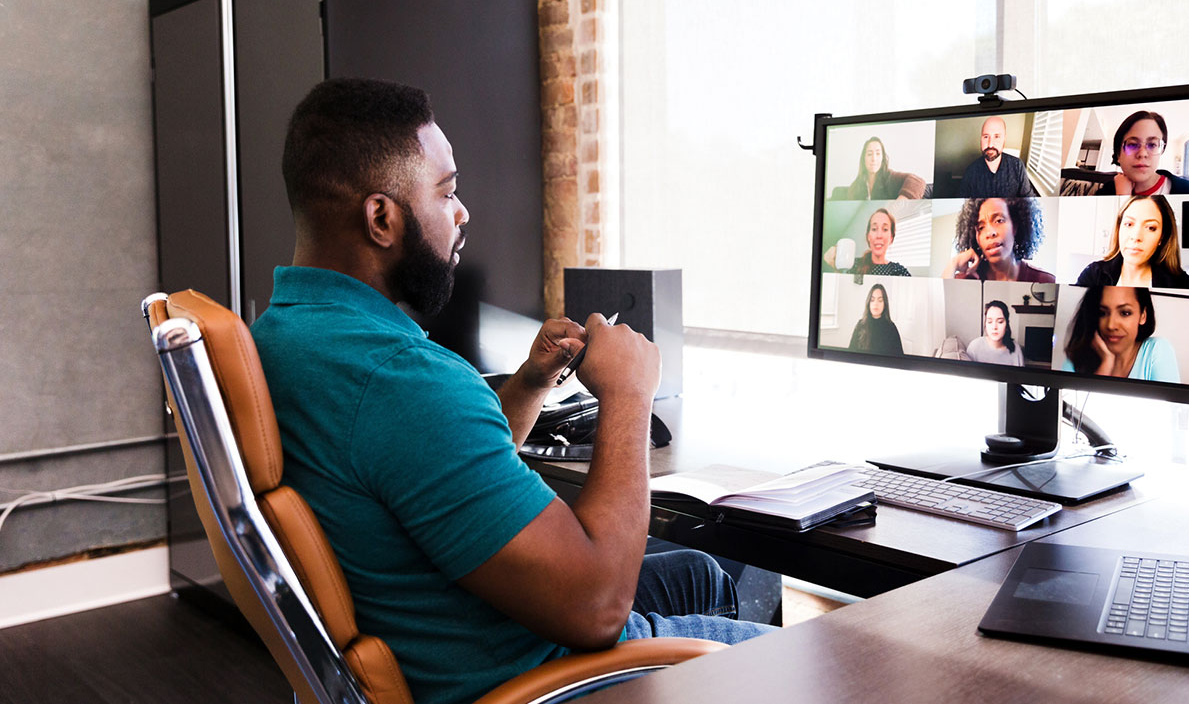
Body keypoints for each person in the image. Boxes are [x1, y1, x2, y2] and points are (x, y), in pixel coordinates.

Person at [250, 79, 771, 704]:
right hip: (538, 675)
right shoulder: (401, 378)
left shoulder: (286, 335)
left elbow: (425, 473)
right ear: (382, 217)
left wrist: (529, 383)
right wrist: (630, 394)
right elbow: (599, 606)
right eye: (447, 192)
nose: (463, 211)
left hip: (457, 624)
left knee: (700, 574)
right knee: (823, 660)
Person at [1075, 195, 1189, 288]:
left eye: (1151, 228)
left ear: (1162, 237)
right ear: (1119, 229)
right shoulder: (1093, 274)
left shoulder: (1183, 284)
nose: (1136, 236)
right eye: (1129, 224)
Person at [1061, 286, 1180, 382]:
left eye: (1125, 313)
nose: (1111, 325)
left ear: (1143, 315)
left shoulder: (1156, 350)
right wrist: (1106, 365)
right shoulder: (1076, 360)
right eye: (1102, 313)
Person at [942, 197, 1054, 283]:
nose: (990, 233)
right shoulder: (965, 279)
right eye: (981, 227)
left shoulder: (1044, 280)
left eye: (999, 220)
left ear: (1015, 226)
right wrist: (953, 263)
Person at [1098, 110, 1189, 196]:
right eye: (1132, 145)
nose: (1143, 153)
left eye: (1152, 145)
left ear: (1161, 150)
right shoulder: (1106, 193)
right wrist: (1121, 198)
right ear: (1118, 154)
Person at [957, 115, 1036, 197]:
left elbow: (1030, 201)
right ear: (981, 139)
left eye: (997, 137)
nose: (990, 144)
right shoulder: (971, 171)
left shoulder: (1017, 166)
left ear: (1004, 139)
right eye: (986, 137)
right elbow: (960, 203)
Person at [829, 135, 925, 200]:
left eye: (878, 154)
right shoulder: (856, 185)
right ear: (864, 158)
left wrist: (899, 204)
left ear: (882, 158)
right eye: (870, 154)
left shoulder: (890, 177)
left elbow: (918, 181)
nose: (874, 159)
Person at [823, 207, 912, 276]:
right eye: (874, 229)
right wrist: (835, 262)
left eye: (885, 229)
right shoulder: (853, 265)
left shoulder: (899, 271)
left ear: (891, 238)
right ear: (868, 236)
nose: (879, 235)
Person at [847, 283, 905, 356]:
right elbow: (851, 353)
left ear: (885, 304)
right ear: (868, 303)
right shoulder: (860, 325)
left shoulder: (891, 327)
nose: (876, 304)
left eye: (880, 300)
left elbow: (899, 357)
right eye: (872, 300)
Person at [965, 300, 1024, 366]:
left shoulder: (1015, 348)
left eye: (1000, 322)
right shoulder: (974, 347)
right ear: (985, 324)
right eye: (990, 322)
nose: (994, 327)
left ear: (1007, 324)